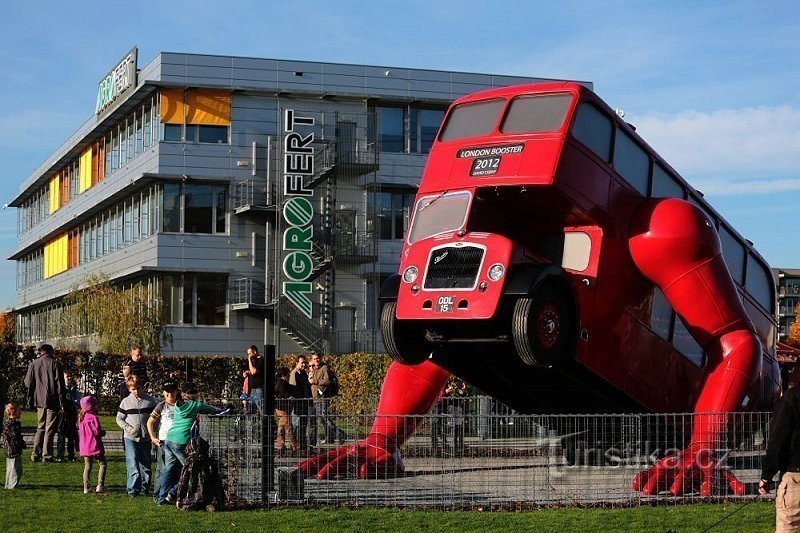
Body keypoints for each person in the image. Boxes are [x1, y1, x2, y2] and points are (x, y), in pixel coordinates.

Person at [160, 382, 221, 503]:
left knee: (168, 469)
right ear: (194, 394)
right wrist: (224, 410)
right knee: (190, 469)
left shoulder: (177, 404)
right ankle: (172, 494)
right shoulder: (195, 405)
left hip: (169, 439)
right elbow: (213, 410)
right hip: (181, 441)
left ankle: (161, 497)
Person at [759, 384, 800, 531]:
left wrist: (767, 475)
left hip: (795, 476)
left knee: (788, 526)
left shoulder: (791, 397)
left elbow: (778, 439)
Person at [24, 344, 65, 462]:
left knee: (40, 427)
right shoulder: (55, 364)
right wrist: (62, 402)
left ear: (41, 352)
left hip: (39, 400)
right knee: (50, 428)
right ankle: (46, 455)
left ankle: (35, 453)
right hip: (53, 401)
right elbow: (60, 386)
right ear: (51, 352)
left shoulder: (34, 364)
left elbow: (27, 383)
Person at [116, 376, 157, 496]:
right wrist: (129, 428)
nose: (136, 391)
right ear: (129, 389)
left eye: (138, 388)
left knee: (146, 463)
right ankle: (133, 489)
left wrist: (153, 433)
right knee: (132, 461)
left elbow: (155, 418)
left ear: (142, 387)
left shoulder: (150, 401)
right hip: (130, 437)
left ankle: (145, 487)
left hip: (146, 437)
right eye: (133, 389)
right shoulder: (125, 402)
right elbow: (119, 419)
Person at [147, 381, 180, 505]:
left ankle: (171, 495)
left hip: (178, 440)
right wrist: (153, 437)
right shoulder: (161, 406)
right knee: (162, 469)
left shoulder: (181, 405)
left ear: (177, 392)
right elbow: (150, 422)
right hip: (164, 441)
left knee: (176, 469)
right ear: (164, 393)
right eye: (167, 391)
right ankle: (158, 494)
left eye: (172, 391)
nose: (170, 394)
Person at [308, 354, 345, 445]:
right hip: (315, 398)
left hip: (322, 398)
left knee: (324, 417)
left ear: (320, 359)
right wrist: (311, 370)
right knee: (321, 418)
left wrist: (315, 381)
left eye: (318, 358)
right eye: (314, 359)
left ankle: (339, 433)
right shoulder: (314, 370)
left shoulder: (324, 368)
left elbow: (327, 381)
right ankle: (330, 437)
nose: (316, 360)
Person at [78, 395, 106, 494]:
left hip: (85, 447)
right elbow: (97, 432)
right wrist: (103, 432)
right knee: (102, 464)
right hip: (94, 445)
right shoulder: (93, 418)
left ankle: (86, 487)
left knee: (87, 466)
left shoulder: (81, 418)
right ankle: (100, 485)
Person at [289, 355, 311, 453]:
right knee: (296, 425)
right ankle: (295, 446)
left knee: (303, 426)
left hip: (304, 403)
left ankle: (302, 446)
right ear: (296, 363)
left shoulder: (304, 373)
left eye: (304, 362)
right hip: (297, 404)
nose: (303, 364)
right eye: (301, 362)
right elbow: (293, 389)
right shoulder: (294, 373)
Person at [56, 370, 80, 462]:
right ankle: (60, 455)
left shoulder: (73, 389)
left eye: (70, 377)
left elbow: (77, 400)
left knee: (71, 436)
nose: (69, 378)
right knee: (61, 435)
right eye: (67, 377)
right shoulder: (61, 389)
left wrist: (75, 403)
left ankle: (71, 455)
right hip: (63, 414)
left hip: (71, 413)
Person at [274, 367, 297, 455]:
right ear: (284, 375)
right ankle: (293, 447)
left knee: (282, 427)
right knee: (288, 427)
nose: (289, 375)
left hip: (280, 408)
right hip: (282, 408)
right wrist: (290, 397)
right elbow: (285, 393)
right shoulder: (282, 383)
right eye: (288, 374)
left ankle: (281, 446)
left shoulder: (280, 383)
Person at [3, 403, 26, 489]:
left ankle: (8, 484)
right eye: (19, 411)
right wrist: (22, 443)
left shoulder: (8, 424)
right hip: (14, 449)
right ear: (14, 412)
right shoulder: (13, 425)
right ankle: (12, 485)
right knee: (16, 469)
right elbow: (15, 437)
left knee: (10, 468)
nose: (21, 413)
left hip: (9, 449)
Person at [242, 345, 264, 416]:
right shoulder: (254, 361)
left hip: (259, 389)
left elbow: (254, 371)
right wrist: (247, 372)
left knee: (262, 410)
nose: (249, 356)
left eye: (250, 353)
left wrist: (249, 360)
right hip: (253, 390)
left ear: (254, 352)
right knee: (250, 411)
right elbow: (252, 371)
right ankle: (250, 427)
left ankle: (266, 425)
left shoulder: (261, 360)